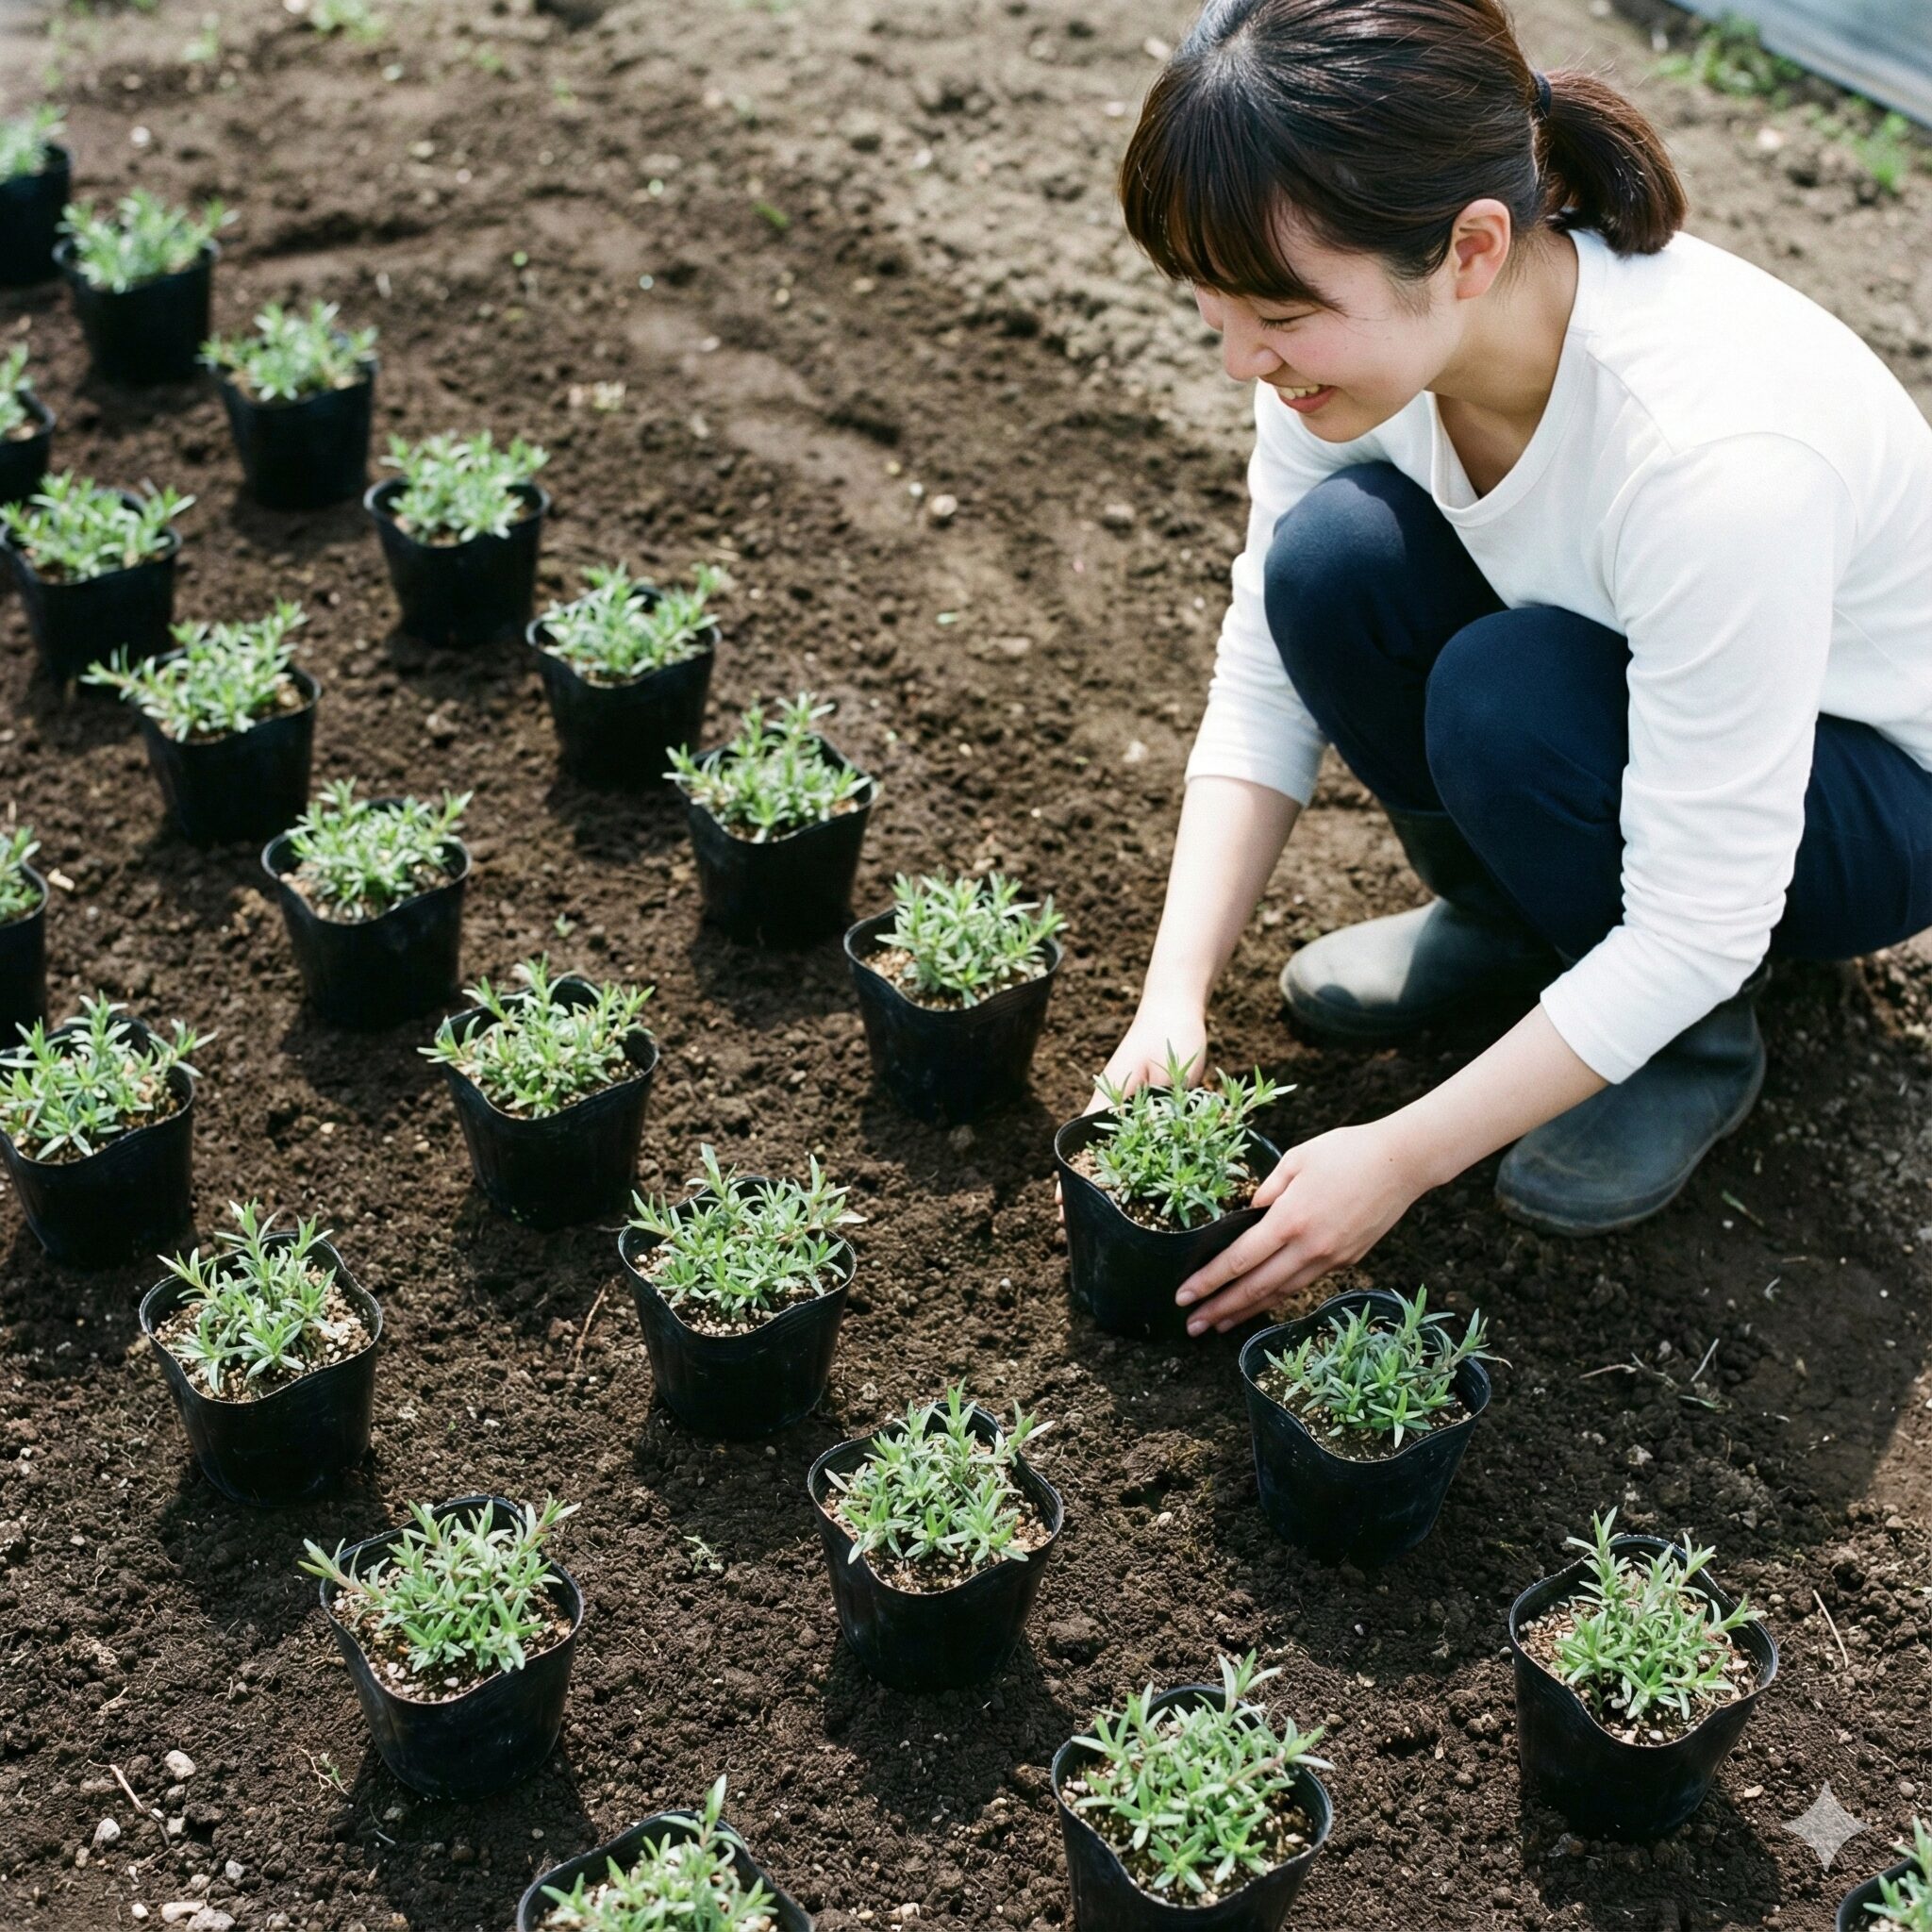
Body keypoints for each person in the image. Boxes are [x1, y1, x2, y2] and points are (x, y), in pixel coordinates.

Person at [1094, 0, 1932, 1337]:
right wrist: (1172, 994)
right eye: (1215, 310)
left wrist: (1401, 1157)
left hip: (1864, 799)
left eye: (1279, 314)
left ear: (1472, 247)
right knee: (1332, 569)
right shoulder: (1343, 348)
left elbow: (1702, 911)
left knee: (1507, 697)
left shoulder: (1719, 461)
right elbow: (1269, 652)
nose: (1245, 357)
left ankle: (1684, 1045)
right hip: (1613, 688)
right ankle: (1509, 924)